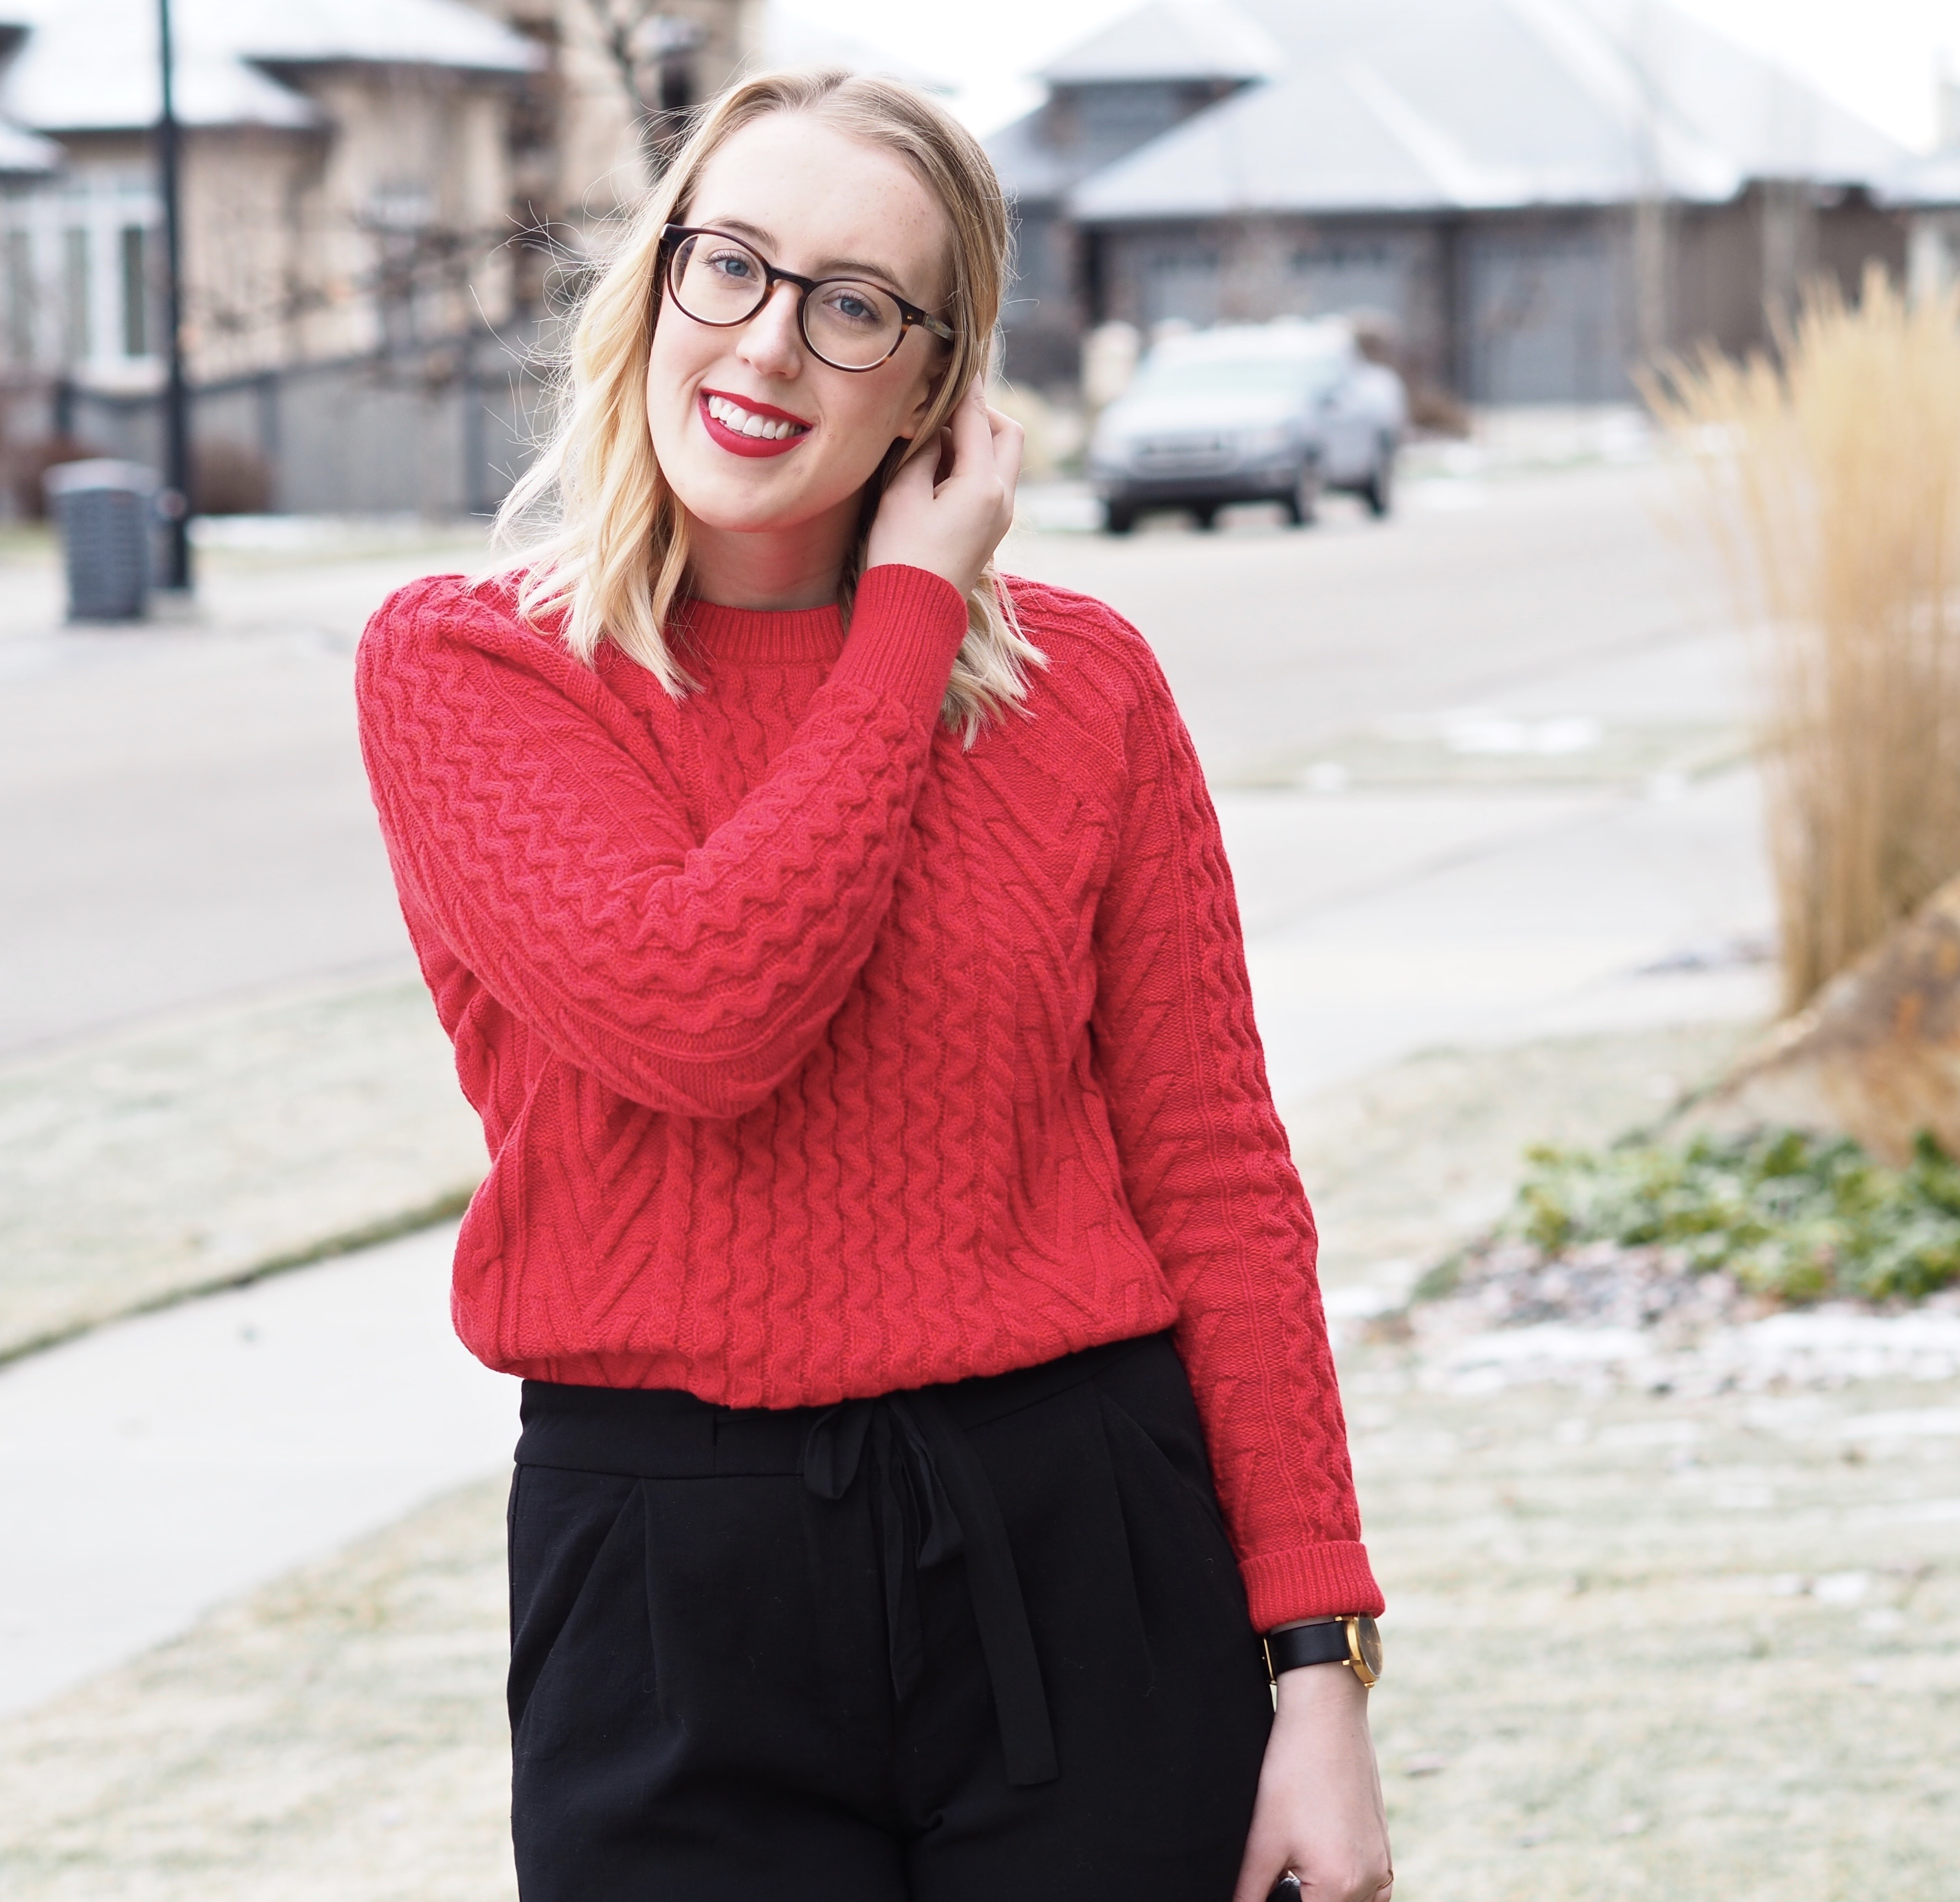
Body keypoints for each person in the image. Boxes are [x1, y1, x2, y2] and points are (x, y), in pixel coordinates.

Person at [356, 67, 1393, 1902]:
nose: (768, 344)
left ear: (935, 381)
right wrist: (906, 619)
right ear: (655, 285)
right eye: (730, 266)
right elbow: (705, 1016)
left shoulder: (1088, 691)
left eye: (853, 305)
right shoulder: (475, 669)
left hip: (1077, 1546)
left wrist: (1318, 1675)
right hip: (671, 1582)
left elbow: (1219, 1178)